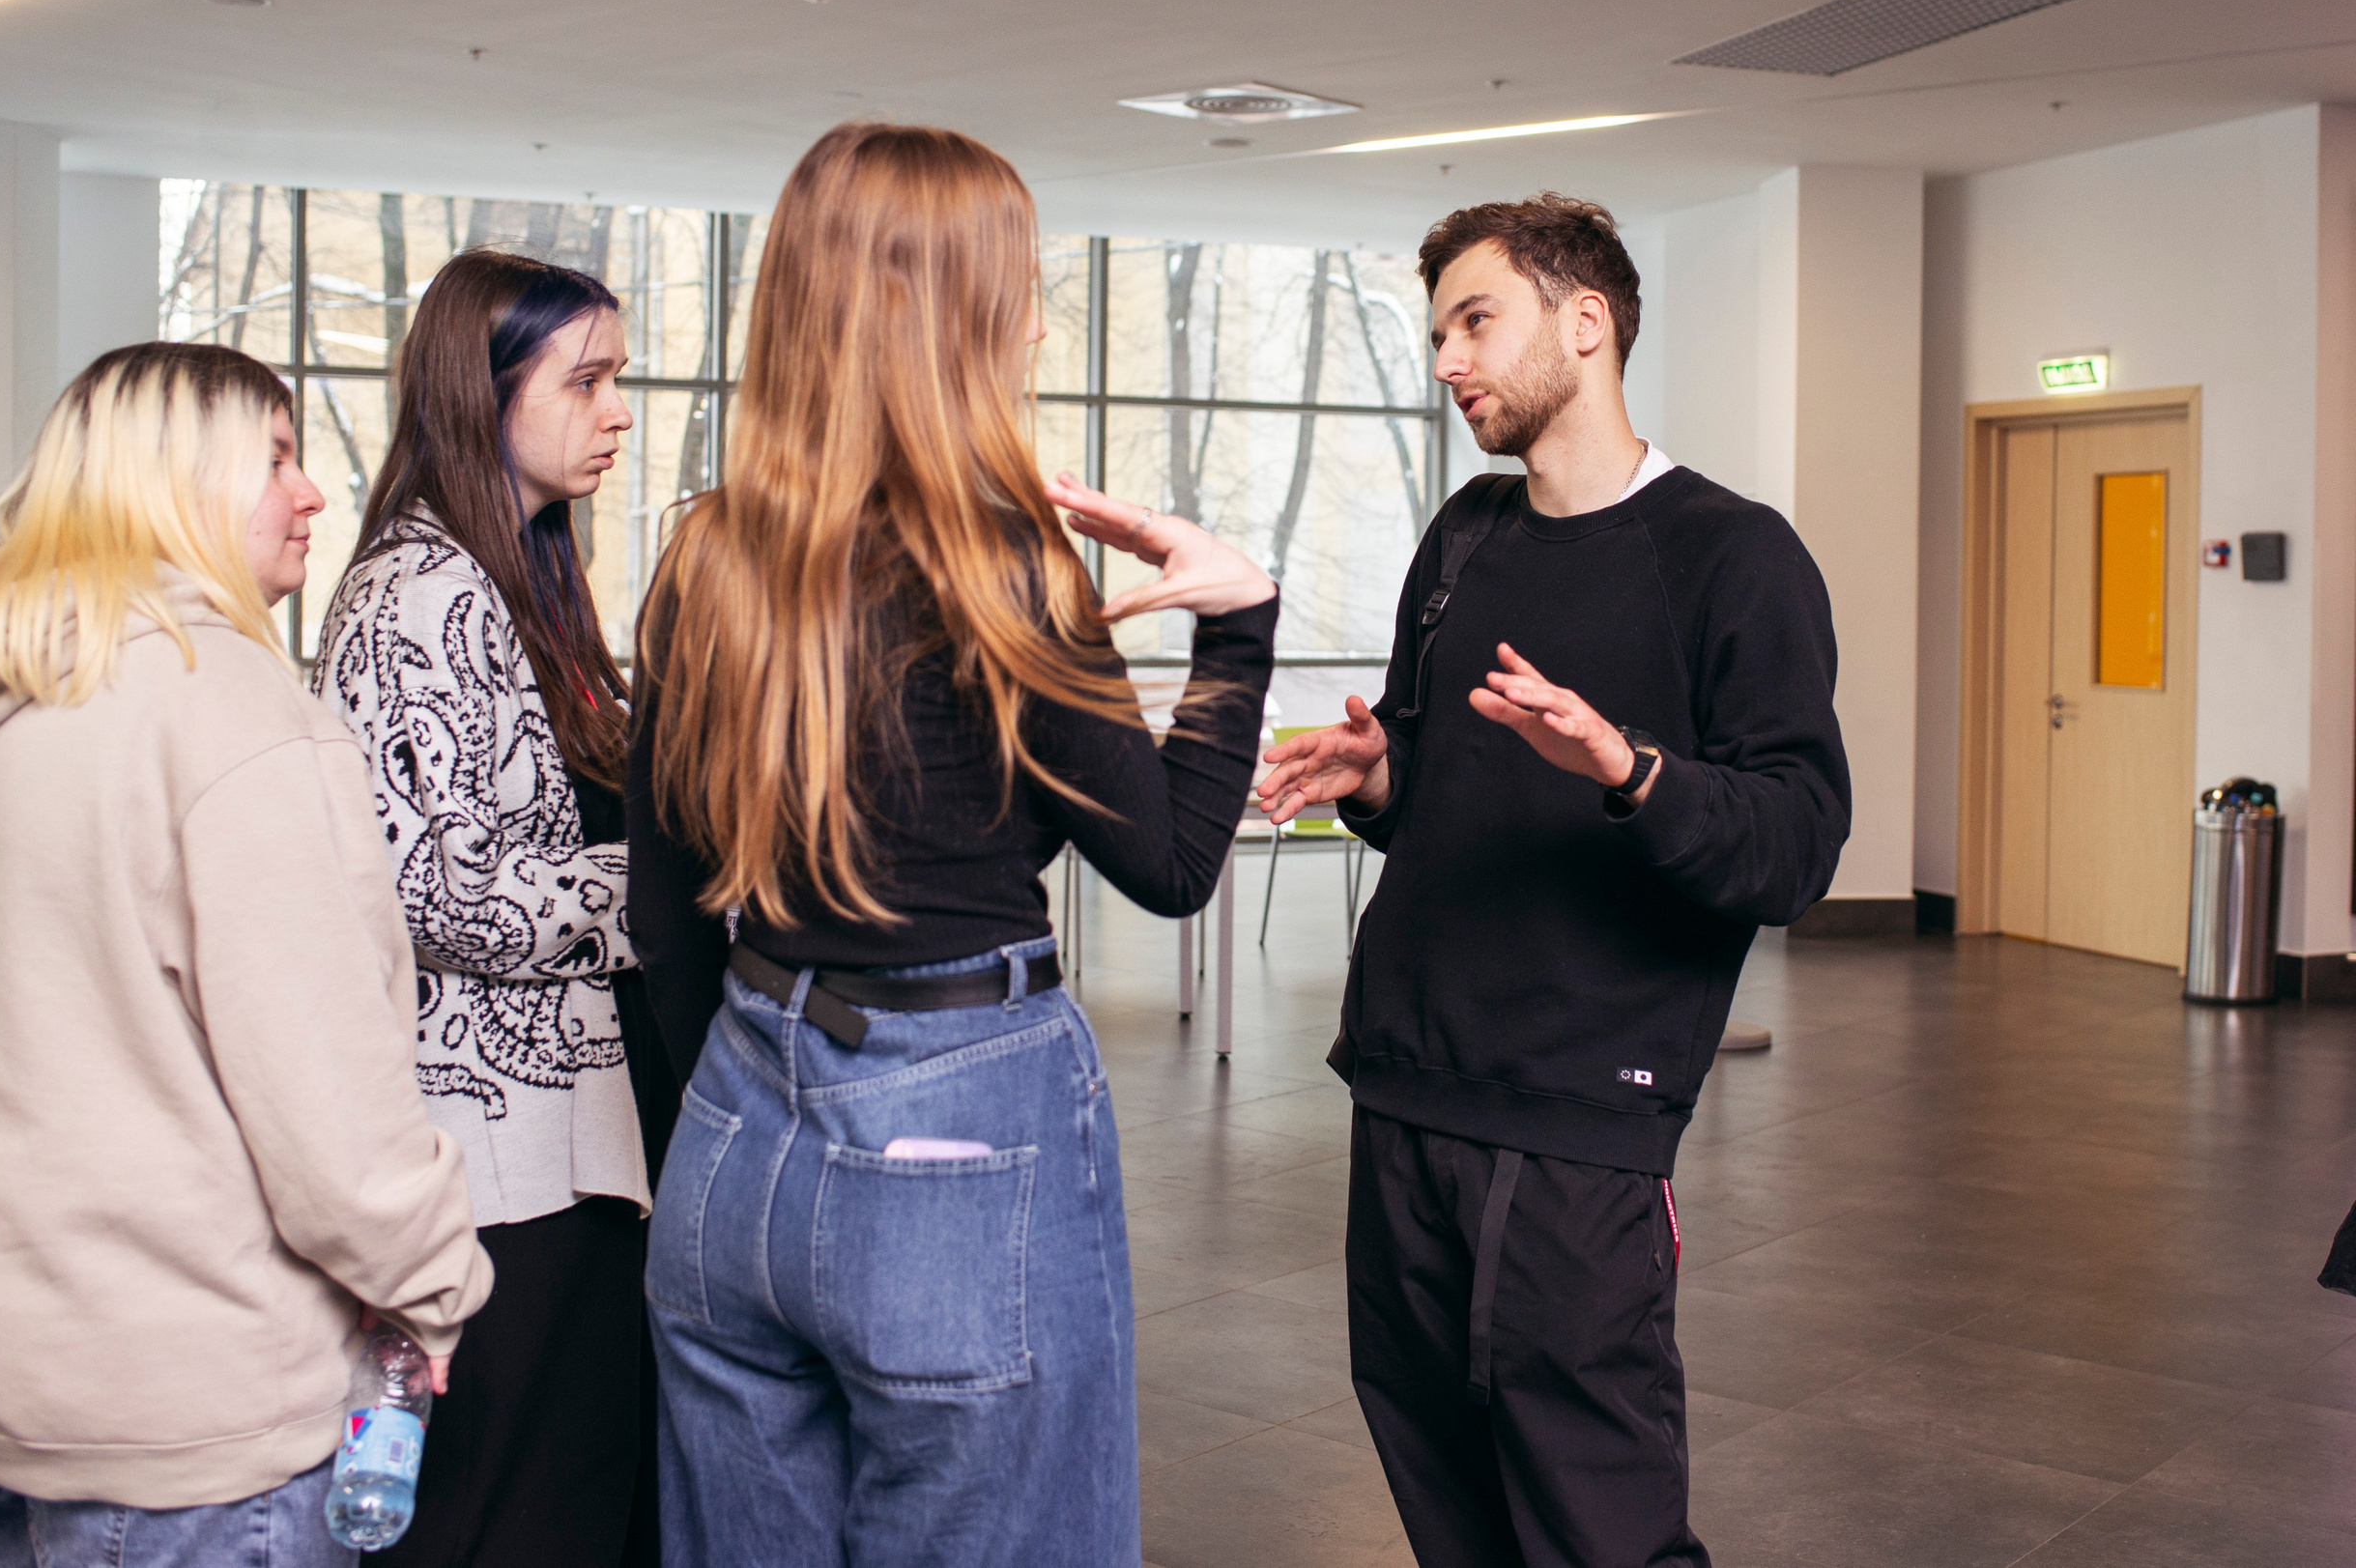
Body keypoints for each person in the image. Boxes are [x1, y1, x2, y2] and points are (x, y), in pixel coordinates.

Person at [625, 121, 1278, 1568]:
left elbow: (663, 918)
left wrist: (741, 1113)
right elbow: (1170, 862)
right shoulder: (1005, 569)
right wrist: (1237, 626)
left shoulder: (705, 558)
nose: (1035, 323)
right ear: (947, 314)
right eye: (1018, 288)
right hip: (958, 1132)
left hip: (731, 1136)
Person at [1259, 194, 1850, 1568]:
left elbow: (1796, 844)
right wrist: (1380, 776)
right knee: (1445, 1499)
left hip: (1583, 1124)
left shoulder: (1734, 555)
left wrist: (1629, 768)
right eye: (1438, 333)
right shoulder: (1465, 535)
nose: (1447, 360)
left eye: (1476, 321)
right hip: (1404, 1089)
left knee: (1596, 1524)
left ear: (1586, 322)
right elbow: (1439, 785)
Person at [0, 342, 492, 1568]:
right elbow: (329, 1103)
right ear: (174, 486)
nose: (312, 492)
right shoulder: (231, 717)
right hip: (183, 1402)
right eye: (273, 458)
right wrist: (434, 1284)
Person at [312, 249, 672, 1567]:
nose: (617, 412)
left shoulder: (515, 573)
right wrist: (683, 888)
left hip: (554, 1147)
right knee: (501, 1512)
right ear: (484, 390)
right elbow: (446, 894)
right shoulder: (422, 591)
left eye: (618, 379)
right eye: (585, 381)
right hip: (488, 1162)